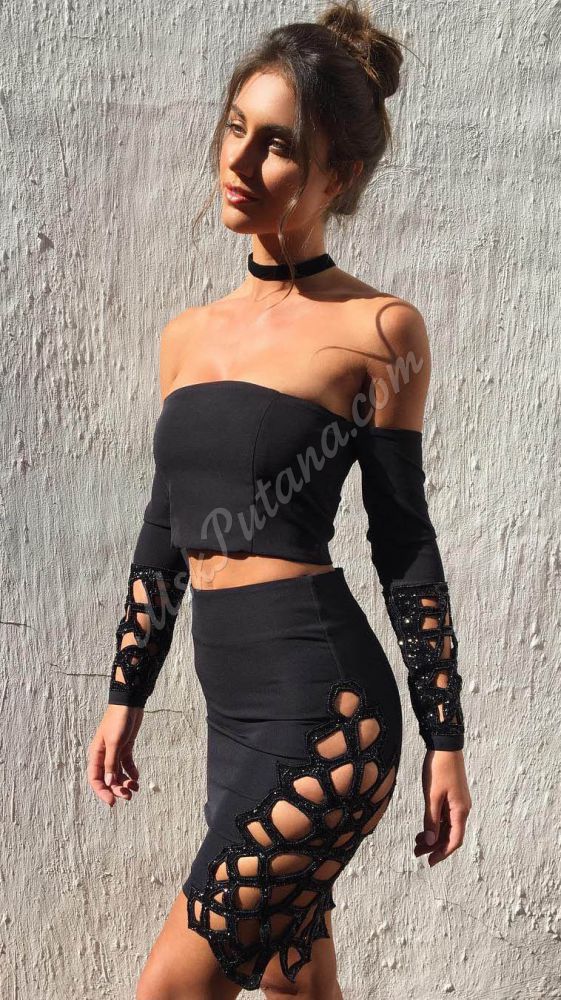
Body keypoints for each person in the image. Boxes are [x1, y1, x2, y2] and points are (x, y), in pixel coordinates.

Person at [87, 2, 472, 997]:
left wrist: (445, 738)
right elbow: (166, 528)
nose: (242, 161)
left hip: (324, 712)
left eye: (279, 145)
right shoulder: (187, 337)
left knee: (170, 988)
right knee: (297, 985)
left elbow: (403, 543)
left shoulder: (380, 330)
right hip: (233, 704)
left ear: (338, 176)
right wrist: (126, 695)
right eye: (235, 128)